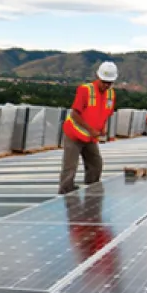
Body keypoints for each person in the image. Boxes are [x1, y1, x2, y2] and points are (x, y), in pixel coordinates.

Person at [58, 61, 118, 195]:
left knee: (96, 164)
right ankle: (65, 193)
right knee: (70, 167)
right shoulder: (86, 90)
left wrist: (103, 127)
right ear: (98, 77)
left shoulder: (111, 94)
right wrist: (90, 129)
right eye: (104, 82)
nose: (106, 85)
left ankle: (92, 190)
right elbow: (74, 114)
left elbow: (105, 113)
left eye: (110, 83)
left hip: (90, 137)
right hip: (74, 133)